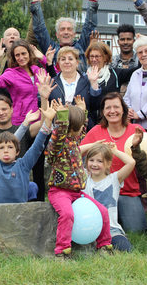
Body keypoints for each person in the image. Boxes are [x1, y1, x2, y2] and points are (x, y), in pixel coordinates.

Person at [46, 100, 112, 258]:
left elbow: (81, 131)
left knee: (102, 211)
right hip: (59, 192)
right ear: (72, 126)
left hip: (77, 193)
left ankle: (104, 245)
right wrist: (61, 116)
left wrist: (83, 111)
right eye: (81, 125)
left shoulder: (74, 141)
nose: (84, 129)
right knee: (68, 214)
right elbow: (59, 134)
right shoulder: (58, 145)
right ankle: (62, 251)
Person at [81, 92, 147, 232]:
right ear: (103, 112)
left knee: (137, 230)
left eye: (116, 107)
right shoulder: (96, 132)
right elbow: (75, 153)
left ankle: (120, 217)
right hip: (101, 191)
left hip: (127, 191)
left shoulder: (136, 131)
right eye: (108, 108)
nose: (112, 111)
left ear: (123, 109)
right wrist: (93, 145)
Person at [30, 0, 98, 72]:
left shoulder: (82, 47)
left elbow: (90, 23)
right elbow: (39, 28)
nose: (66, 32)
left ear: (74, 33)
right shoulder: (51, 49)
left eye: (69, 29)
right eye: (62, 29)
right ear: (57, 34)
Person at [82, 143, 135, 252]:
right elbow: (74, 152)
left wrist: (115, 151)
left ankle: (108, 248)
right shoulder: (83, 176)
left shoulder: (114, 179)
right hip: (87, 228)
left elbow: (131, 162)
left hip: (111, 229)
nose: (94, 164)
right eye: (91, 160)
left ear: (108, 164)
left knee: (126, 249)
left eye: (99, 161)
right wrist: (93, 145)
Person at [0, 38, 47, 125]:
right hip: (20, 121)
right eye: (17, 55)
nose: (21, 57)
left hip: (38, 119)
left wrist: (42, 58)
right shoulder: (11, 73)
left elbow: (55, 75)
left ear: (29, 53)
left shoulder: (36, 70)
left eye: (23, 53)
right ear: (14, 57)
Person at [84, 41, 138, 126]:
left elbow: (136, 70)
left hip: (112, 121)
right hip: (91, 123)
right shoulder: (84, 77)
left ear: (105, 57)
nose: (94, 59)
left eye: (97, 56)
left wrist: (139, 47)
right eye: (91, 56)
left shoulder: (115, 74)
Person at [46, 46, 101, 128]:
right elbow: (44, 106)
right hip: (58, 129)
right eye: (63, 59)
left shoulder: (87, 80)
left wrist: (93, 84)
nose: (67, 62)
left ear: (77, 62)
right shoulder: (51, 82)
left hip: (83, 128)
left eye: (70, 59)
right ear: (58, 63)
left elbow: (96, 106)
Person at [111, 24, 139, 96]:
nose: (125, 42)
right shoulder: (111, 62)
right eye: (122, 39)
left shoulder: (140, 60)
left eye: (129, 39)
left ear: (134, 41)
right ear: (118, 42)